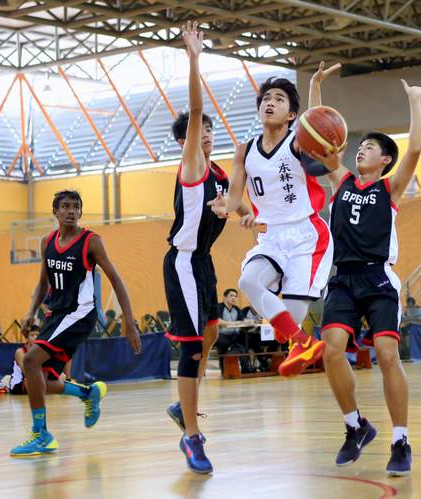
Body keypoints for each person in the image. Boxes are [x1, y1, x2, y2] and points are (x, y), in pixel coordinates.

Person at [309, 63, 421, 476]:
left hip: (378, 277)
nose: (361, 149)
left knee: (386, 353)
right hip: (342, 277)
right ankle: (355, 425)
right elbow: (316, 135)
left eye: (371, 147)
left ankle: (400, 439)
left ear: (385, 161)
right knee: (330, 351)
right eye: (359, 146)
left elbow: (413, 149)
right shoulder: (340, 181)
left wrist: (414, 103)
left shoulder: (389, 188)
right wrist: (314, 88)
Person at [160, 22, 255, 474]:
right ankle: (191, 436)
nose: (205, 136)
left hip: (203, 262)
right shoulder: (191, 163)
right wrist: (195, 58)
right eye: (199, 132)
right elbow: (196, 110)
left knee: (213, 331)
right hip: (180, 261)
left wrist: (242, 213)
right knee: (194, 346)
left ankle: (184, 404)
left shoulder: (217, 171)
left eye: (210, 132)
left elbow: (236, 203)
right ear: (185, 143)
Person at [210, 61, 332, 378]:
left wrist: (314, 87)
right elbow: (236, 197)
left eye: (279, 98)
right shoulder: (244, 150)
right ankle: (303, 343)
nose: (270, 102)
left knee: (289, 318)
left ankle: (297, 344)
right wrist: (227, 207)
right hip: (271, 237)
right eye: (266, 98)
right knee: (248, 282)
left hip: (307, 236)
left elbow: (319, 129)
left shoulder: (298, 142)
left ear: (291, 113)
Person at [10, 190, 141, 457]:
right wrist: (29, 312)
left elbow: (116, 279)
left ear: (80, 212)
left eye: (76, 207)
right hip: (56, 314)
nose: (71, 211)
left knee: (31, 361)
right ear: (55, 212)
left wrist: (130, 321)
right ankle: (88, 393)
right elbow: (42, 283)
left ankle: (41, 435)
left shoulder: (91, 241)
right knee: (43, 378)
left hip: (80, 313)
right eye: (65, 206)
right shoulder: (48, 241)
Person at [8, 325, 41, 394]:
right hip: (19, 383)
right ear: (27, 338)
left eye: (37, 335)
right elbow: (26, 371)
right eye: (32, 335)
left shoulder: (41, 351)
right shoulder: (20, 352)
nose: (35, 337)